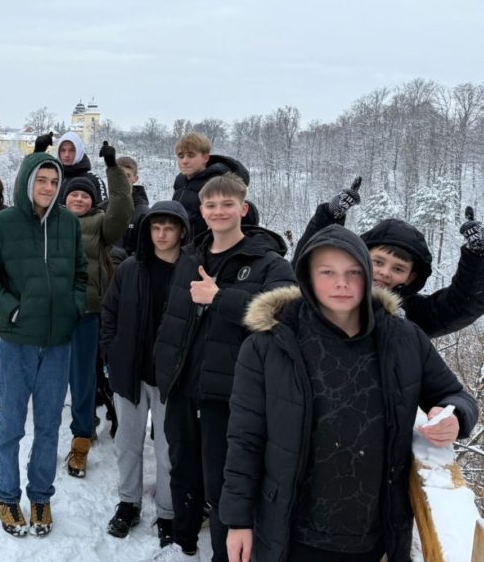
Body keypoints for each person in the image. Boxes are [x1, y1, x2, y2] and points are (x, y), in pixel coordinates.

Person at [222, 225, 478, 562]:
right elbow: (245, 439)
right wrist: (238, 520)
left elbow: (455, 396)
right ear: (307, 276)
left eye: (353, 272)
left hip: (374, 535)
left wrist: (455, 416)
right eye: (327, 272)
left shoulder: (403, 339)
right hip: (292, 531)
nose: (341, 283)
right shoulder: (268, 345)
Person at [152, 174, 296, 562]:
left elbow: (286, 313)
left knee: (222, 483)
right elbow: (173, 319)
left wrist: (222, 298)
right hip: (184, 385)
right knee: (181, 468)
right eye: (211, 205)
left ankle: (223, 555)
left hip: (231, 394)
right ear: (201, 211)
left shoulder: (267, 261)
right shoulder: (191, 258)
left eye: (227, 204)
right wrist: (164, 371)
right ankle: (183, 544)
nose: (218, 212)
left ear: (242, 209)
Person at [0, 152, 87, 538]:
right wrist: (12, 309)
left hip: (58, 344)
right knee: (10, 427)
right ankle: (7, 496)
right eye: (42, 180)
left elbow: (81, 274)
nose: (48, 189)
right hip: (18, 343)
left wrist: (73, 307)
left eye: (54, 182)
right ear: (26, 181)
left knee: (49, 425)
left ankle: (40, 495)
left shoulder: (68, 223)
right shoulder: (2, 224)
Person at [101, 201, 189, 546]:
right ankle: (128, 503)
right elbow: (109, 312)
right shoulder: (131, 269)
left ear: (182, 231)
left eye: (169, 227)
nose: (162, 234)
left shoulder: (192, 270)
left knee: (169, 449)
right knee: (127, 443)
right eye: (156, 227)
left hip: (171, 378)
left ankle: (167, 513)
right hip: (131, 372)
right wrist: (111, 352)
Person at [294, 179, 484, 339]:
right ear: (359, 257)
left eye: (398, 269)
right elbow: (304, 268)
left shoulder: (410, 314)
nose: (385, 272)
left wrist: (477, 257)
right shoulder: (329, 290)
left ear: (411, 277)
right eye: (378, 262)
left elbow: (460, 306)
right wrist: (330, 216)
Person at [62, 142, 134, 479]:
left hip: (87, 312)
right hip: (51, 312)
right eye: (74, 195)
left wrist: (113, 168)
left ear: (93, 200)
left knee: (82, 377)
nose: (79, 199)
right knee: (49, 378)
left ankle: (81, 437)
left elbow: (122, 206)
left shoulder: (103, 226)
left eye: (85, 196)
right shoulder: (51, 223)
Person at [171, 131, 250, 241]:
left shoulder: (218, 181)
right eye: (181, 156)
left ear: (205, 158)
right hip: (182, 246)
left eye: (191, 155)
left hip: (204, 246)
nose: (184, 161)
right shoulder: (180, 180)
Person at [34, 130, 108, 204]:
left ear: (79, 151)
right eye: (63, 150)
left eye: (72, 150)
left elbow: (103, 210)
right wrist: (37, 154)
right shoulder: (53, 176)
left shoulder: (93, 179)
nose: (66, 154)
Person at [111, 155, 151, 264]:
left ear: (135, 179)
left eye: (127, 175)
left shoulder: (143, 214)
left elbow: (145, 254)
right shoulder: (101, 209)